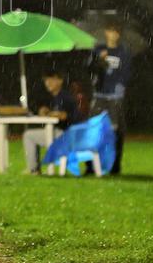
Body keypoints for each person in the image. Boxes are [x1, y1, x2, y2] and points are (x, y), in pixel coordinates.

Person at [89, 22, 131, 174]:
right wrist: (99, 61)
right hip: (99, 95)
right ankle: (91, 166)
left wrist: (117, 83)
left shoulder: (123, 52)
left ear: (118, 34)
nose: (112, 34)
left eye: (115, 31)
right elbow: (89, 69)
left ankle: (115, 167)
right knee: (93, 129)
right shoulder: (98, 50)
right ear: (106, 32)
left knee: (116, 131)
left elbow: (127, 75)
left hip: (115, 97)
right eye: (109, 30)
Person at [23, 70, 81, 174]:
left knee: (28, 136)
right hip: (62, 132)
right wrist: (45, 111)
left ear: (60, 81)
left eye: (51, 80)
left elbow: (75, 116)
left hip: (67, 134)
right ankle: (34, 168)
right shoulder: (53, 97)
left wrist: (65, 116)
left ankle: (34, 169)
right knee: (29, 135)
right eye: (46, 80)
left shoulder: (66, 97)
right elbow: (51, 112)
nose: (48, 83)